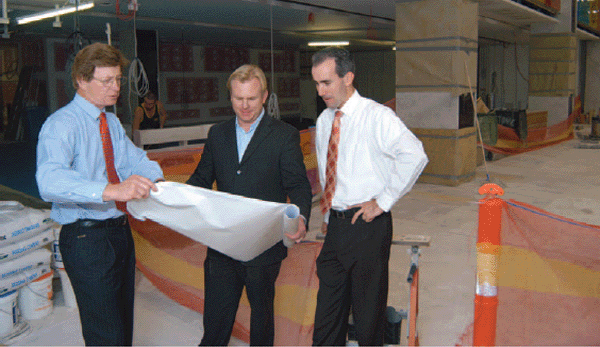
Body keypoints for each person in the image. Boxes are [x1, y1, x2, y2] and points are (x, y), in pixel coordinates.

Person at [36, 42, 164, 346]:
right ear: (81, 80)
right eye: (106, 81)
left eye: (118, 79)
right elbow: (48, 180)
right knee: (105, 335)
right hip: (86, 239)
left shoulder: (111, 123)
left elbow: (136, 160)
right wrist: (111, 190)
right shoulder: (61, 125)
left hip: (119, 234)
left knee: (123, 327)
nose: (116, 87)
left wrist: (157, 180)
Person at [187, 64, 312, 346]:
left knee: (262, 320)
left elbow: (298, 185)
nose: (244, 106)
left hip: (263, 245)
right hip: (222, 244)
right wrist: (170, 195)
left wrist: (301, 217)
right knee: (216, 320)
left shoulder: (283, 135)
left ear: (265, 96)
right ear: (230, 96)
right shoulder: (218, 134)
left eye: (252, 99)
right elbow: (201, 178)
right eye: (238, 98)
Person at [310, 47, 428, 346]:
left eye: (326, 82)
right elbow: (328, 174)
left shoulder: (377, 116)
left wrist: (383, 201)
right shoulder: (325, 121)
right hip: (336, 227)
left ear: (348, 77)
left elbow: (414, 155)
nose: (320, 90)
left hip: (367, 226)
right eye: (316, 83)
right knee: (327, 316)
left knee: (367, 316)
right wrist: (327, 216)